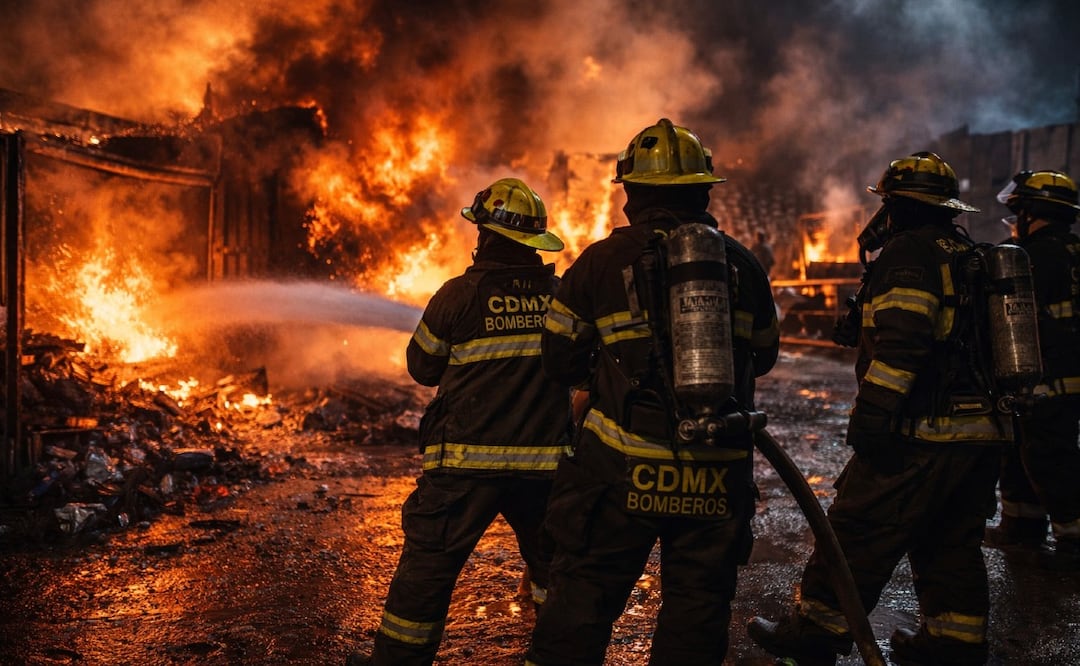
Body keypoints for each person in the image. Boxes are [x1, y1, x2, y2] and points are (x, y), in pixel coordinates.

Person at [525, 118, 780, 665]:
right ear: (704, 192)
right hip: (715, 469)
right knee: (696, 612)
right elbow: (764, 354)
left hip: (620, 470)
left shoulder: (598, 263)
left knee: (582, 601)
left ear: (631, 197)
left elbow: (558, 360)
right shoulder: (743, 265)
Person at [748, 152, 1013, 666]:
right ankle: (953, 644)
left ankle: (814, 633)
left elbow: (903, 346)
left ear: (898, 206)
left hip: (922, 431)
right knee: (951, 539)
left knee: (858, 528)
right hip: (981, 433)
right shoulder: (967, 253)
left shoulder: (909, 254)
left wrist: (873, 416)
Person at [348, 177, 574, 666]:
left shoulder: (458, 295)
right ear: (533, 242)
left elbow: (422, 367)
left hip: (464, 465)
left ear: (487, 235)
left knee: (429, 567)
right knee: (555, 569)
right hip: (544, 469)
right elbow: (578, 369)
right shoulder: (561, 297)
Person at [984, 170, 1080, 565]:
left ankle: (1073, 541)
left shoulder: (1028, 257)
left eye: (1018, 211)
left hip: (1045, 376)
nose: (1015, 220)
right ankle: (1021, 527)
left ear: (1032, 212)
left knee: (1050, 458)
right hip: (1061, 374)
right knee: (1023, 451)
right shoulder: (1073, 250)